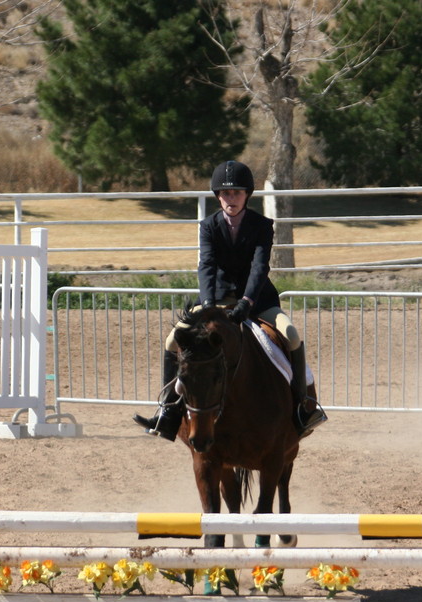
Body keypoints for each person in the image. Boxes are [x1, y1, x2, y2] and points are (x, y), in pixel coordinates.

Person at [133, 160, 327, 441]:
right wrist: (210, 305)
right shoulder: (209, 226)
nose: (231, 198)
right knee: (172, 341)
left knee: (292, 335)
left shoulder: (262, 225)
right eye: (225, 193)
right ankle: (168, 411)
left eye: (236, 193)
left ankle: (302, 408)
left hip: (258, 300)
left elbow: (260, 267)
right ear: (217, 196)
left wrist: (246, 303)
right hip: (215, 298)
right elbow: (207, 266)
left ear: (247, 195)